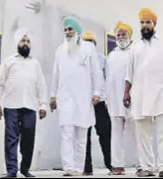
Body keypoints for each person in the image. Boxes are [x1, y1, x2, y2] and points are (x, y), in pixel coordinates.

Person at [123, 9, 163, 178]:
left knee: (162, 133)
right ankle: (146, 167)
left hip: (161, 93)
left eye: (148, 22)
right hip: (139, 95)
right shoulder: (134, 47)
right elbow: (129, 74)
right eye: (142, 23)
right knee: (143, 135)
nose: (145, 25)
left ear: (154, 24)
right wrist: (126, 93)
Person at [50, 16, 103, 177]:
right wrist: (52, 95)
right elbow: (55, 74)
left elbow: (96, 72)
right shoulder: (60, 50)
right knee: (66, 132)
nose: (67, 32)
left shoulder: (88, 48)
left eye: (70, 29)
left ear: (77, 31)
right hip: (65, 96)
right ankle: (68, 168)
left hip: (83, 97)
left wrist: (97, 93)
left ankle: (78, 169)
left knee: (81, 134)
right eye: (65, 29)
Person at [0, 28, 48, 178]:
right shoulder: (9, 61)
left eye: (28, 41)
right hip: (11, 106)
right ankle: (12, 171)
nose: (25, 44)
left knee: (28, 139)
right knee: (11, 139)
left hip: (30, 106)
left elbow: (41, 85)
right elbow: (1, 83)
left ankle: (25, 168)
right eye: (23, 41)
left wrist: (43, 105)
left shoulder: (35, 63)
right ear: (17, 43)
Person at [81, 32, 113, 176]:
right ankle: (86, 167)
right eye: (85, 41)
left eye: (91, 41)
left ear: (95, 44)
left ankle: (111, 164)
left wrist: (102, 96)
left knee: (105, 133)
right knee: (83, 136)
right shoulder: (78, 59)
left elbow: (107, 80)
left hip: (99, 102)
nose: (88, 44)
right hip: (84, 103)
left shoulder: (102, 59)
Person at [105, 22, 134, 176]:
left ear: (129, 36)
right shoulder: (111, 55)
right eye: (118, 35)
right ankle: (117, 166)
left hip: (132, 100)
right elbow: (108, 79)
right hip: (114, 101)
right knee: (116, 134)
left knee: (136, 133)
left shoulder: (134, 52)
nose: (121, 37)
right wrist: (107, 99)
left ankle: (143, 165)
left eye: (124, 34)